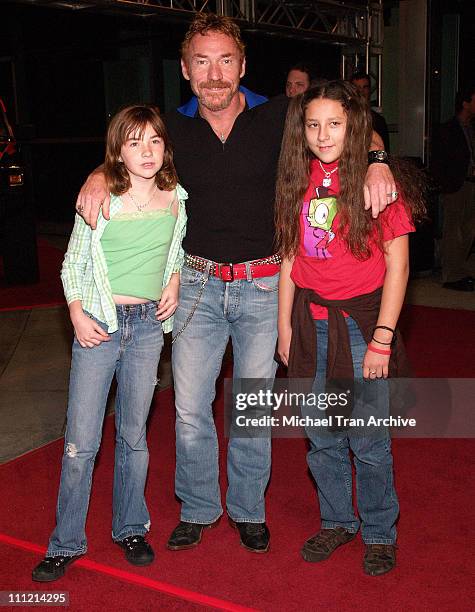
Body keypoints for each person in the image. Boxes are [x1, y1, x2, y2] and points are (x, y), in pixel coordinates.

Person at [75, 13, 397, 555]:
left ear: (242, 65)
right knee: (189, 408)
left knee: (251, 407)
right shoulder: (171, 129)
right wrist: (95, 174)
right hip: (195, 288)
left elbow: (346, 120)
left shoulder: (280, 116)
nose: (215, 73)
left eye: (226, 60)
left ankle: (248, 509)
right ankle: (199, 508)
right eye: (202, 61)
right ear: (185, 69)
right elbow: (125, 149)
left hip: (265, 284)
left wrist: (378, 161)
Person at [32, 104, 187, 582]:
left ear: (165, 148)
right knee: (81, 442)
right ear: (118, 150)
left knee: (134, 437)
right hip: (98, 325)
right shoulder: (101, 199)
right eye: (135, 142)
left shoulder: (177, 197)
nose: (146, 151)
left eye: (155, 141)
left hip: (146, 330)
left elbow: (176, 250)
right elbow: (71, 265)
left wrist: (175, 279)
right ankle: (66, 542)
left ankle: (130, 528)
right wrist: (77, 314)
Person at [276, 81, 425, 575]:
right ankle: (338, 520)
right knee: (321, 436)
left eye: (334, 123)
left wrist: (382, 338)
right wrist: (284, 328)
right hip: (310, 324)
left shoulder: (378, 184)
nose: (322, 134)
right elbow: (290, 258)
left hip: (362, 326)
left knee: (368, 440)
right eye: (313, 124)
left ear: (354, 127)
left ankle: (381, 533)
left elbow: (398, 267)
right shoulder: (298, 180)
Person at [431, 84, 475, 292]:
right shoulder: (447, 129)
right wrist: (445, 185)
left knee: (469, 229)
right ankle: (451, 274)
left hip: (471, 185)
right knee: (453, 230)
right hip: (456, 185)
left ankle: (460, 269)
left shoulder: (471, 128)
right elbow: (440, 161)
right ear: (465, 103)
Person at [350, 71, 390, 152]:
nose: (361, 91)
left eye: (365, 87)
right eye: (357, 87)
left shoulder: (378, 121)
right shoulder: (344, 117)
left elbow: (385, 153)